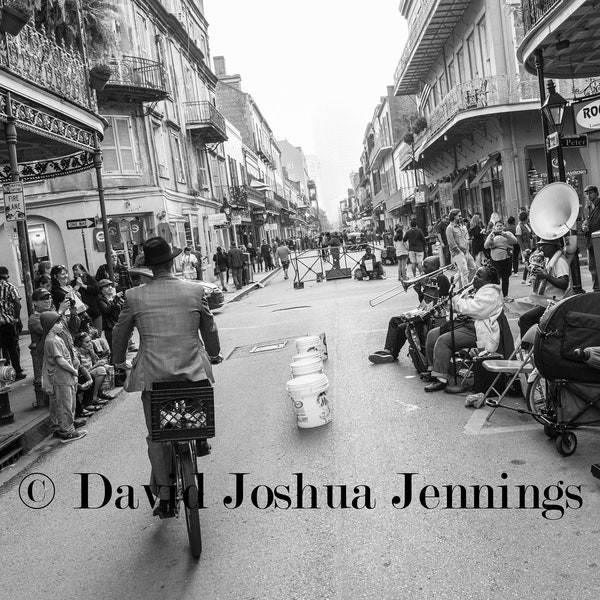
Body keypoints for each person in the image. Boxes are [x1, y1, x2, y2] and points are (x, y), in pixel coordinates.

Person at [112, 236, 221, 519]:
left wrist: (118, 362)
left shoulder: (134, 296)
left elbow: (119, 333)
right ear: (173, 262)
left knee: (157, 437)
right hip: (193, 372)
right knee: (196, 406)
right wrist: (214, 353)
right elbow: (209, 328)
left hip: (154, 375)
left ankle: (165, 496)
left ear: (149, 267)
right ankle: (198, 439)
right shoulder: (195, 291)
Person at [423, 265, 504, 392]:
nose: (475, 278)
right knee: (432, 335)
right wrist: (451, 302)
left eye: (479, 276)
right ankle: (433, 369)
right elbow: (461, 306)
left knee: (444, 341)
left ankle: (441, 379)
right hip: (464, 323)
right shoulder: (475, 288)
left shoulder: (492, 293)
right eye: (476, 274)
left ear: (489, 281)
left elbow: (472, 309)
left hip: (477, 329)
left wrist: (455, 299)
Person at [368, 257, 450, 364]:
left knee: (403, 326)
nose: (423, 269)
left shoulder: (441, 278)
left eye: (426, 267)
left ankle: (393, 354)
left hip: (436, 315)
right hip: (425, 311)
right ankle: (387, 350)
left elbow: (434, 301)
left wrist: (424, 285)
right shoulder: (430, 277)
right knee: (394, 321)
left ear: (434, 267)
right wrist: (419, 292)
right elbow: (425, 302)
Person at [41, 311, 87, 443]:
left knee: (68, 402)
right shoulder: (51, 341)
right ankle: (67, 431)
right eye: (57, 322)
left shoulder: (57, 338)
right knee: (64, 404)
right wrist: (73, 371)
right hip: (60, 377)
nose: (61, 325)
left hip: (65, 376)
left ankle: (64, 427)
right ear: (50, 325)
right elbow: (60, 360)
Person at [517, 238, 570, 338]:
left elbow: (564, 283)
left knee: (525, 319)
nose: (541, 248)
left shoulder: (560, 261)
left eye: (544, 245)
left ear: (553, 246)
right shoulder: (549, 259)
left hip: (555, 303)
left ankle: (528, 350)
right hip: (547, 301)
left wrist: (546, 276)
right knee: (522, 322)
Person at [0, 266, 25, 380]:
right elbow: (16, 302)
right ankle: (17, 371)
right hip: (8, 322)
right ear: (7, 276)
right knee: (12, 348)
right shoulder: (10, 287)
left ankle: (3, 372)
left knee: (2, 349)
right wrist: (16, 317)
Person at [484, 221, 517, 302]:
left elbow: (515, 241)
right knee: (496, 278)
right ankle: (496, 297)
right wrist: (490, 240)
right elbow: (485, 246)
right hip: (495, 259)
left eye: (501, 225)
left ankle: (505, 296)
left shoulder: (507, 233)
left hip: (506, 257)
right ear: (494, 227)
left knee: (506, 278)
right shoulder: (491, 234)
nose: (499, 227)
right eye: (497, 226)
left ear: (503, 226)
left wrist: (505, 235)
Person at [446, 209, 476, 288]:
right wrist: (460, 252)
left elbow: (465, 238)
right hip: (458, 254)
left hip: (466, 252)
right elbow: (452, 244)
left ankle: (463, 287)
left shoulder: (460, 226)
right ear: (453, 216)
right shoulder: (450, 228)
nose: (460, 217)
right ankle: (465, 293)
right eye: (459, 216)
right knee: (464, 272)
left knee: (473, 268)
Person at [71, 263, 102, 332]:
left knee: (98, 331)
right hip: (83, 313)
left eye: (76, 270)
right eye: (73, 270)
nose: (74, 272)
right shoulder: (73, 283)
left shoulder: (90, 279)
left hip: (94, 311)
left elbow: (97, 290)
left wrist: (84, 286)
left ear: (82, 270)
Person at [97, 279, 124, 354]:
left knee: (123, 348)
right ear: (101, 290)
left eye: (110, 285)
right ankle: (116, 365)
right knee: (115, 350)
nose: (110, 287)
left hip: (120, 325)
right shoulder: (101, 300)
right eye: (106, 286)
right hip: (110, 328)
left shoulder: (115, 298)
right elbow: (107, 310)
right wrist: (116, 299)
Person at [582, 185, 600, 292]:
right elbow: (585, 222)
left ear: (596, 193)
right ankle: (596, 289)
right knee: (592, 267)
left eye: (590, 193)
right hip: (590, 241)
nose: (588, 195)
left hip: (598, 240)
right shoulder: (587, 208)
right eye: (587, 194)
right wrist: (584, 227)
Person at [516, 211, 535, 285]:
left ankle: (525, 279)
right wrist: (523, 249)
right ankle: (530, 278)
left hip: (530, 245)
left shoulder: (527, 225)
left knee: (529, 262)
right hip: (525, 247)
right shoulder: (519, 226)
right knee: (528, 262)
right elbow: (519, 239)